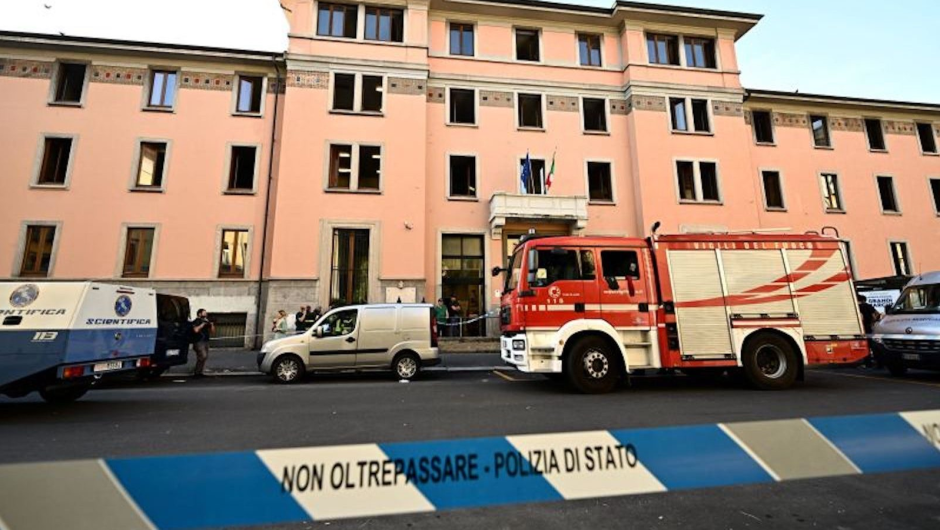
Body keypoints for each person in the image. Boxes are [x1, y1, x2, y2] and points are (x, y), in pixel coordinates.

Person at [857, 294, 881, 367]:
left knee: (865, 345)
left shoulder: (858, 307)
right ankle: (879, 363)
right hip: (870, 327)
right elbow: (877, 314)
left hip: (862, 328)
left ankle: (868, 363)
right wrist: (873, 322)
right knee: (872, 345)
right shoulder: (869, 306)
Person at [191, 309, 214, 377]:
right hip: (198, 341)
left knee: (204, 357)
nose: (206, 314)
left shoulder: (206, 321)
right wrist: (203, 324)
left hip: (206, 341)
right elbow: (196, 330)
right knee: (203, 356)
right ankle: (196, 372)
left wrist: (211, 324)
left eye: (206, 313)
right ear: (199, 314)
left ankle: (199, 372)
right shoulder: (196, 321)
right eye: (204, 313)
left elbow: (212, 332)